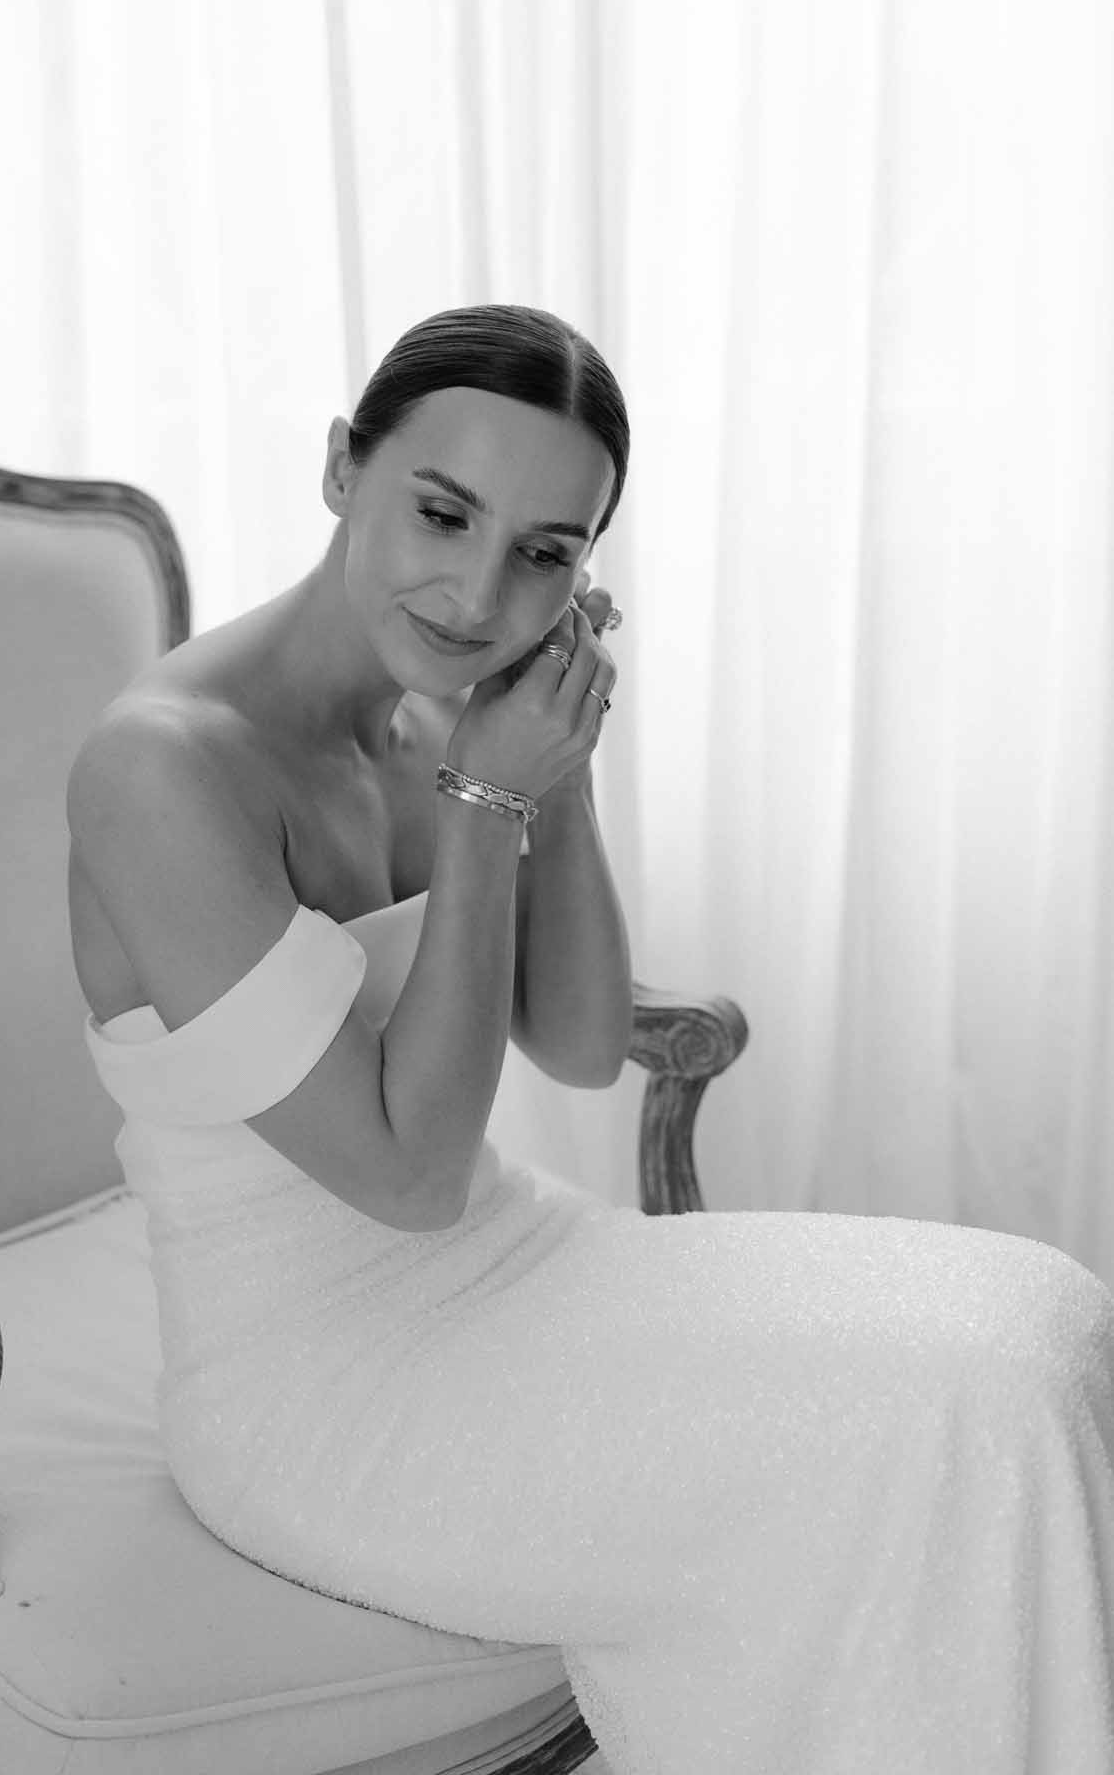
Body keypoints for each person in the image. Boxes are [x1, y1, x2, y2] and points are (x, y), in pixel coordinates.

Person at [68, 303, 1114, 1774]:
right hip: (316, 1389)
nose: (478, 589)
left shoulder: (439, 717)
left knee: (1038, 1328)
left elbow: (569, 1038)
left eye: (545, 555)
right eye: (442, 512)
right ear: (339, 467)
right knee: (938, 1430)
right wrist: (488, 805)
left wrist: (543, 767)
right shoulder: (159, 769)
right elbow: (407, 1174)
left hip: (517, 1260)